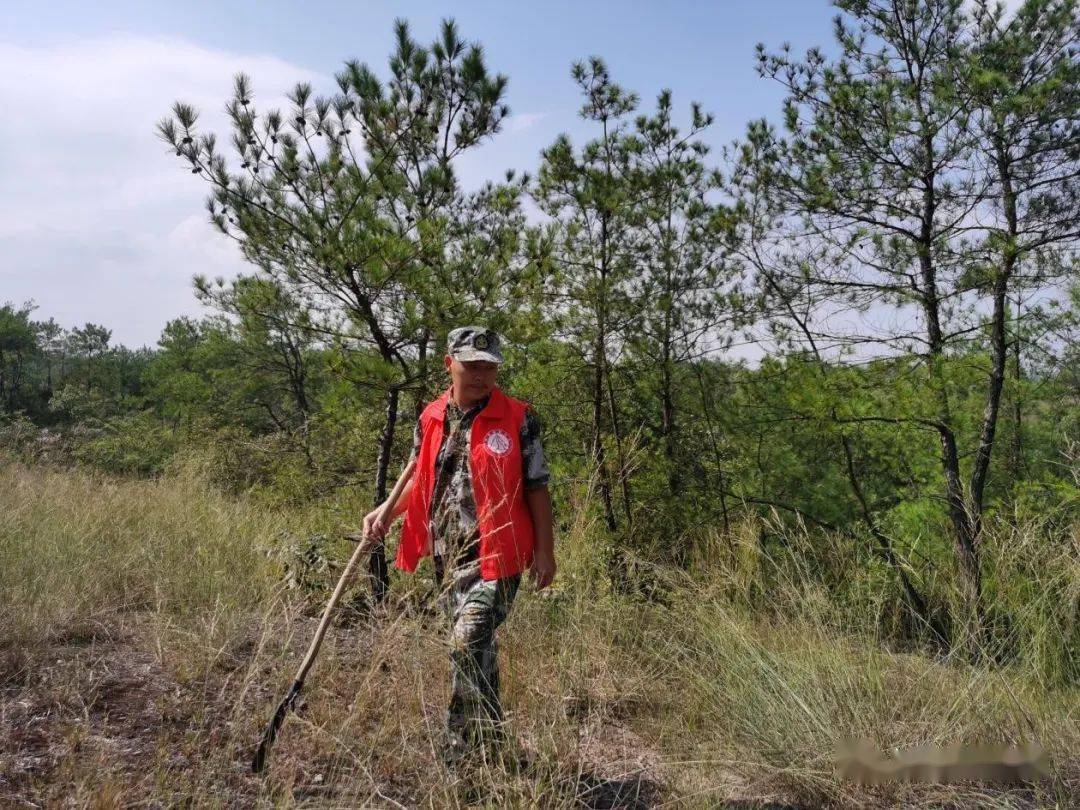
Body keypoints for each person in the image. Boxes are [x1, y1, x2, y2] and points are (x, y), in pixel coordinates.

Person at [362, 325, 556, 768]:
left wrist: (546, 551)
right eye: (471, 365)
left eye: (489, 366)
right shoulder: (431, 416)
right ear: (449, 363)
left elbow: (538, 488)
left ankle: (460, 761)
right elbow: (419, 478)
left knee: (466, 642)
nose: (481, 375)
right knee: (478, 654)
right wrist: (385, 513)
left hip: (499, 556)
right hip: (449, 559)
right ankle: (493, 747)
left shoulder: (519, 417)